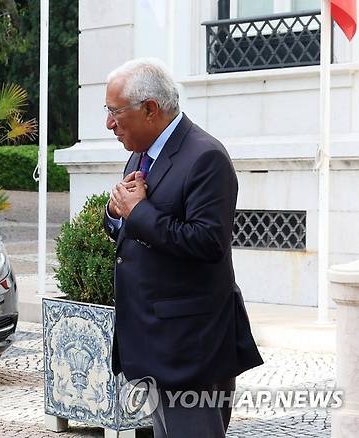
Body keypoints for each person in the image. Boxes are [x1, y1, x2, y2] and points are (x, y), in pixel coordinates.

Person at [103, 58, 263, 438]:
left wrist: (137, 211)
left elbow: (207, 242)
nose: (109, 124)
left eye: (115, 113)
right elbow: (134, 227)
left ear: (150, 110)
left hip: (191, 348)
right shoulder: (142, 150)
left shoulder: (205, 156)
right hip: (154, 342)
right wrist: (115, 213)